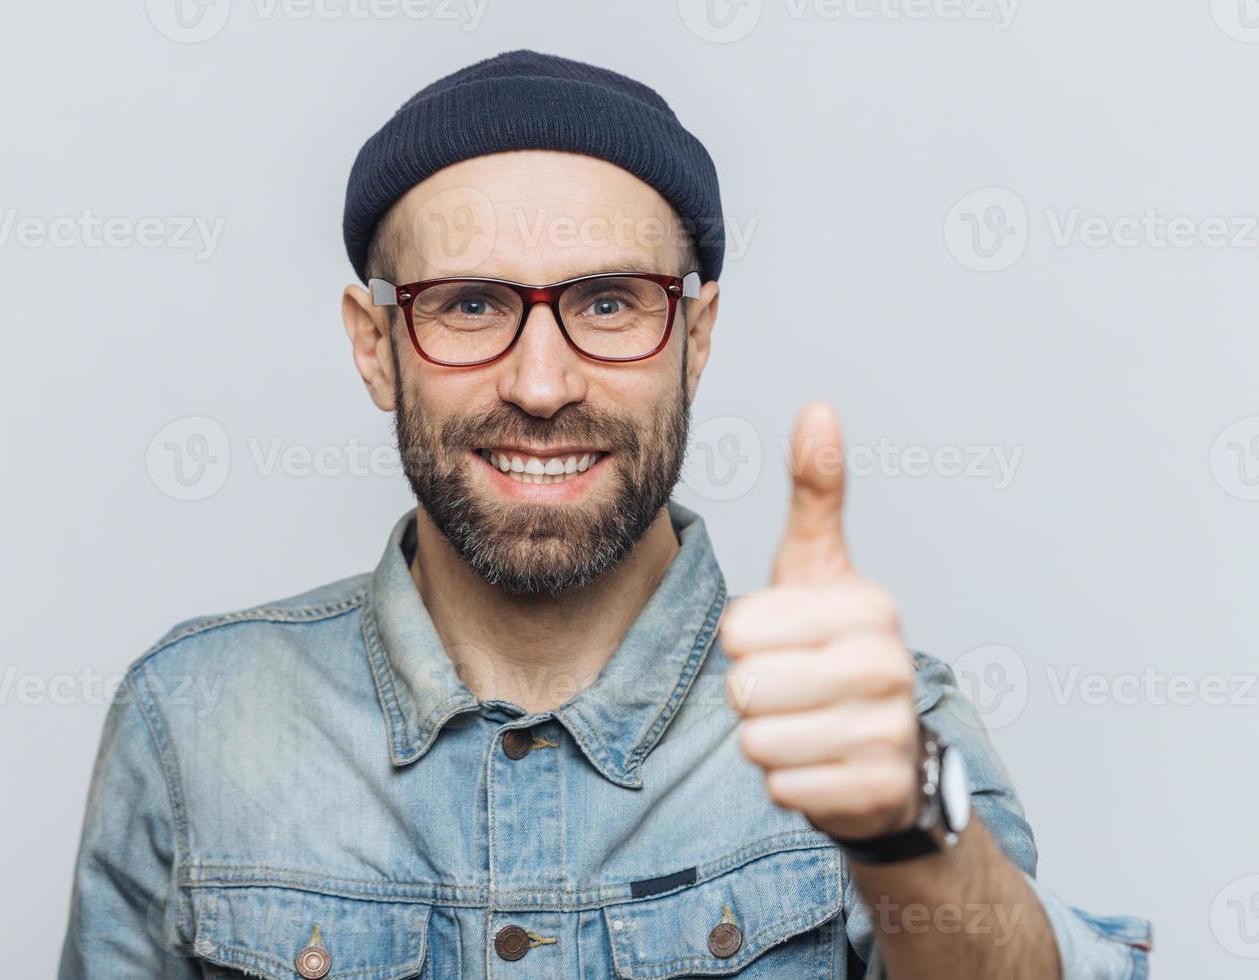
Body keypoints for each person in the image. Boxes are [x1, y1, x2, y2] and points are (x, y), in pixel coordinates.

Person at [60, 49, 1152, 979]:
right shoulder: (193, 716)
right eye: (472, 304)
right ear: (372, 344)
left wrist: (905, 818)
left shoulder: (872, 723)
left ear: (697, 336)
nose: (541, 384)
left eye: (608, 302)